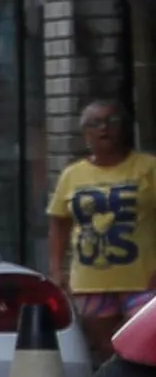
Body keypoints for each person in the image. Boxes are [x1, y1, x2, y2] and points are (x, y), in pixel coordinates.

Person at [52, 98, 156, 348]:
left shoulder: (148, 167)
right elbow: (59, 223)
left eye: (112, 121)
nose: (104, 128)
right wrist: (57, 271)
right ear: (85, 133)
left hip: (144, 280)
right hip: (91, 282)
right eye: (95, 123)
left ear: (125, 127)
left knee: (143, 349)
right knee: (105, 353)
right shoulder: (72, 174)